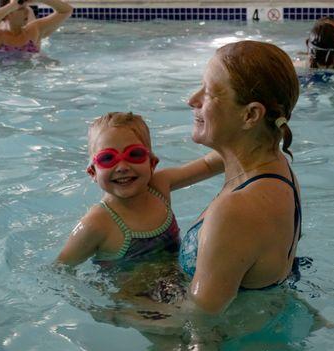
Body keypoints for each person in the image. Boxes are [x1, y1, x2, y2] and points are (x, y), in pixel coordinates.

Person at [180, 40, 305, 315]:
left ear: (250, 115)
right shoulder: (274, 168)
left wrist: (115, 308)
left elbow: (197, 321)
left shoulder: (237, 210)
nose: (192, 99)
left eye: (209, 92)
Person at [57, 112, 223, 268]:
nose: (122, 167)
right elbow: (61, 269)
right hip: (130, 297)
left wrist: (246, 143)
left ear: (152, 163)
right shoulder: (97, 222)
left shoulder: (159, 185)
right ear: (93, 172)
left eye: (134, 154)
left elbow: (208, 165)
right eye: (107, 158)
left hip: (175, 279)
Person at [0, 0, 72, 53]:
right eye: (22, 9)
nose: (27, 11)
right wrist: (13, 5)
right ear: (7, 13)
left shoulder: (34, 30)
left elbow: (66, 10)